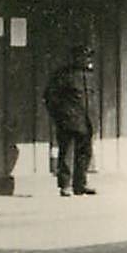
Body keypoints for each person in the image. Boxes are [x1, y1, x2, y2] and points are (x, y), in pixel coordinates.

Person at [44, 45, 97, 196]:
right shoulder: (64, 75)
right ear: (76, 58)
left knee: (85, 153)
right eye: (84, 57)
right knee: (66, 153)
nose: (87, 60)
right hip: (69, 121)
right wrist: (60, 115)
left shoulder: (89, 75)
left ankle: (80, 184)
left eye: (88, 57)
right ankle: (65, 185)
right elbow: (50, 96)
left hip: (87, 120)